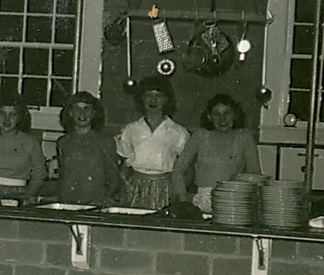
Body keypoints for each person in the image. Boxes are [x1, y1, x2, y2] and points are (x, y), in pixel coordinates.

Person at [170, 93, 261, 212]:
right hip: (201, 202)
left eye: (227, 113)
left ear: (234, 115)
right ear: (209, 117)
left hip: (234, 202)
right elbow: (178, 169)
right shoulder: (200, 136)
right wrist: (183, 199)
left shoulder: (245, 137)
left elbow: (254, 174)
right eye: (216, 114)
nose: (222, 119)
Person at [115, 75, 188, 210]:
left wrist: (178, 193)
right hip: (136, 187)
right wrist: (123, 190)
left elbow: (186, 168)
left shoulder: (178, 131)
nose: (153, 100)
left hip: (166, 188)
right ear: (141, 99)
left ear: (166, 100)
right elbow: (125, 165)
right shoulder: (131, 130)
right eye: (148, 95)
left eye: (158, 96)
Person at [53, 91, 122, 205]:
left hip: (95, 201)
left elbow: (114, 176)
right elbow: (63, 176)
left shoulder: (106, 141)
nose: (82, 113)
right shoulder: (63, 142)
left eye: (87, 108)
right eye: (77, 108)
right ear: (70, 113)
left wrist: (107, 198)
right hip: (68, 201)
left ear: (94, 113)